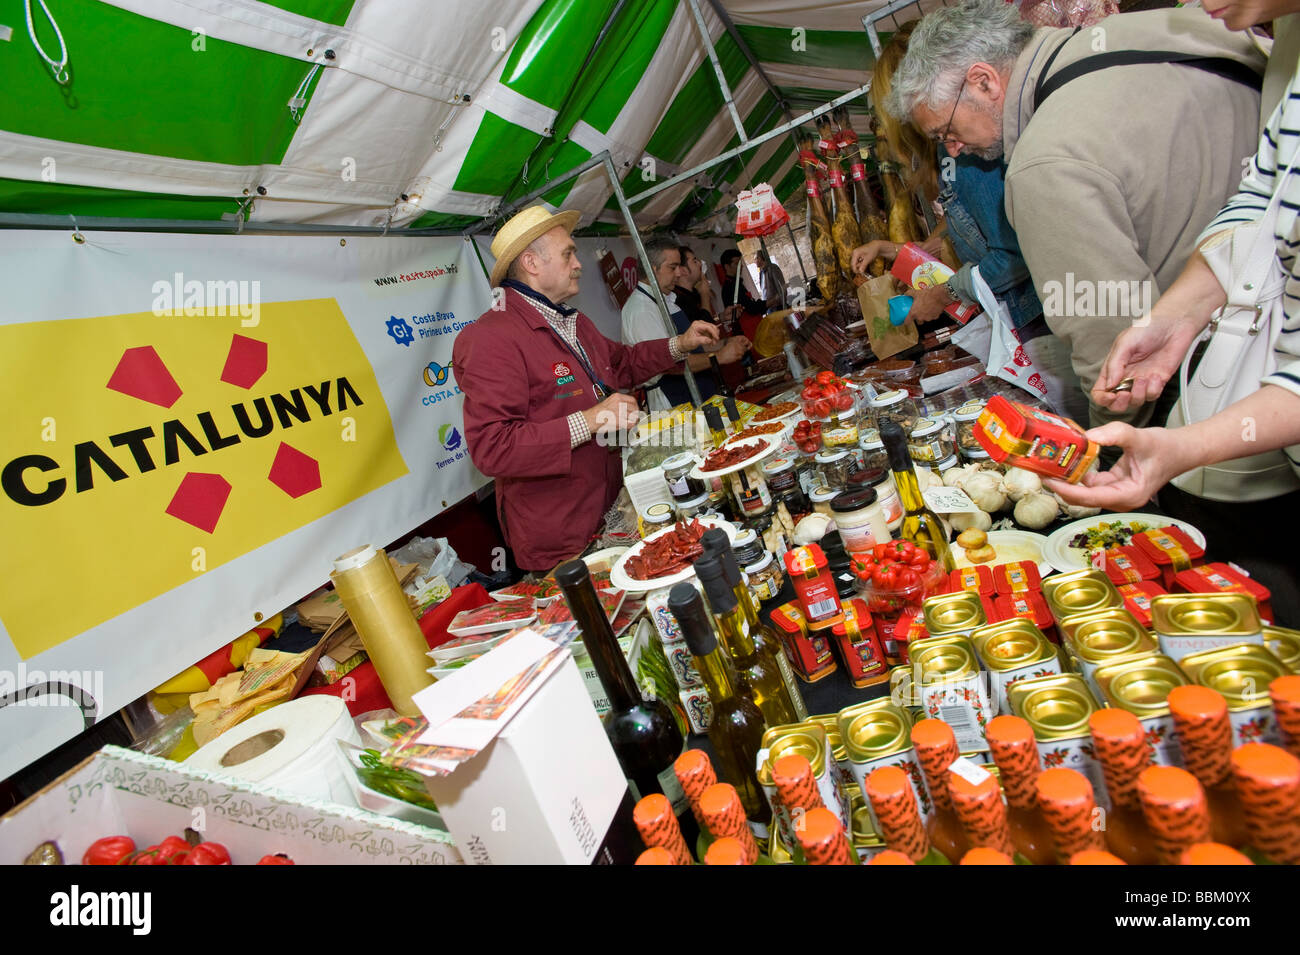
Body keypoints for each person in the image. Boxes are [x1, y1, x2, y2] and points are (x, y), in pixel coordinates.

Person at [885, 0, 1265, 428]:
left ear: (983, 81)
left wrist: (1112, 444)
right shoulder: (1162, 28)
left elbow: (1109, 344)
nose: (952, 150)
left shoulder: (1042, 167)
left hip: (1223, 375)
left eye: (947, 132)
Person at [453, 207, 721, 572]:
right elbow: (493, 448)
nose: (578, 264)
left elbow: (623, 363)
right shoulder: (490, 338)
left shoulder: (571, 321)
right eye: (568, 254)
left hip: (611, 510)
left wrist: (680, 343)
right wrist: (590, 420)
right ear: (532, 263)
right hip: (564, 535)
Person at [853, 19, 1087, 422]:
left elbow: (1013, 252)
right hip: (1039, 316)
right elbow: (977, 229)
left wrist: (943, 293)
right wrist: (898, 251)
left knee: (1084, 440)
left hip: (1042, 318)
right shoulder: (956, 151)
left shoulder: (967, 151)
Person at [621, 237, 749, 410]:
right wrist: (719, 357)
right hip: (673, 399)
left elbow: (693, 348)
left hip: (698, 389)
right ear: (653, 269)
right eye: (673, 268)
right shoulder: (641, 310)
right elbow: (667, 365)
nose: (679, 273)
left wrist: (725, 344)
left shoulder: (667, 299)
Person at [719, 249, 766, 341]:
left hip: (755, 328)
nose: (740, 267)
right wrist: (771, 302)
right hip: (747, 334)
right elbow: (751, 308)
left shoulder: (737, 283)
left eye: (741, 264)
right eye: (737, 264)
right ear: (727, 267)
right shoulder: (729, 287)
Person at [673, 244, 718, 326]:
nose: (700, 264)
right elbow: (704, 331)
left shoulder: (693, 293)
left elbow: (700, 316)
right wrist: (705, 295)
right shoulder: (679, 300)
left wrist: (720, 317)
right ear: (683, 270)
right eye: (694, 261)